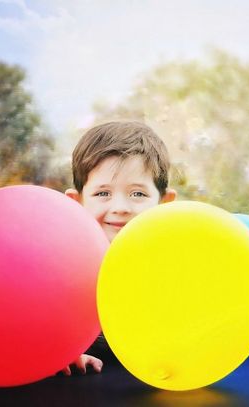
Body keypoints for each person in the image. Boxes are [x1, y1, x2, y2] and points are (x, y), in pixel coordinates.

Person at [62, 121, 177, 375]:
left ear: (164, 203)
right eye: (103, 194)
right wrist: (63, 350)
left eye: (137, 194)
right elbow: (33, 319)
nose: (121, 207)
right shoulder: (62, 267)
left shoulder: (173, 266)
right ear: (76, 201)